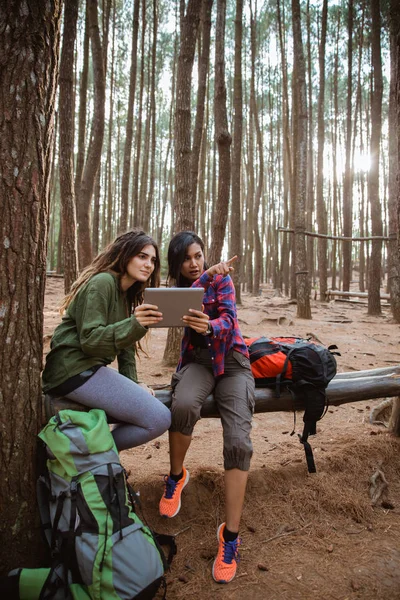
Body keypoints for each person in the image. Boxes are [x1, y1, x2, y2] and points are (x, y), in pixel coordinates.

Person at [158, 231, 255, 584]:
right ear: (177, 265)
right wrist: (204, 277)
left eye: (198, 255)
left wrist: (209, 324)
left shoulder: (222, 281)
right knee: (182, 405)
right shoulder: (182, 290)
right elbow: (172, 307)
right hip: (198, 362)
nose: (194, 262)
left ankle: (230, 537)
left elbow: (229, 321)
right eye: (186, 259)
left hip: (232, 362)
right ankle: (176, 475)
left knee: (238, 443)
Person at [42, 229, 171, 451]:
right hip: (71, 370)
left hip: (87, 371)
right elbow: (90, 340)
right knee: (158, 417)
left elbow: (126, 348)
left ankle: (98, 462)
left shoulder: (124, 295)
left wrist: (133, 382)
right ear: (124, 254)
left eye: (153, 260)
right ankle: (86, 455)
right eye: (142, 256)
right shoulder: (102, 282)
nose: (149, 264)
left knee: (152, 416)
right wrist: (134, 324)